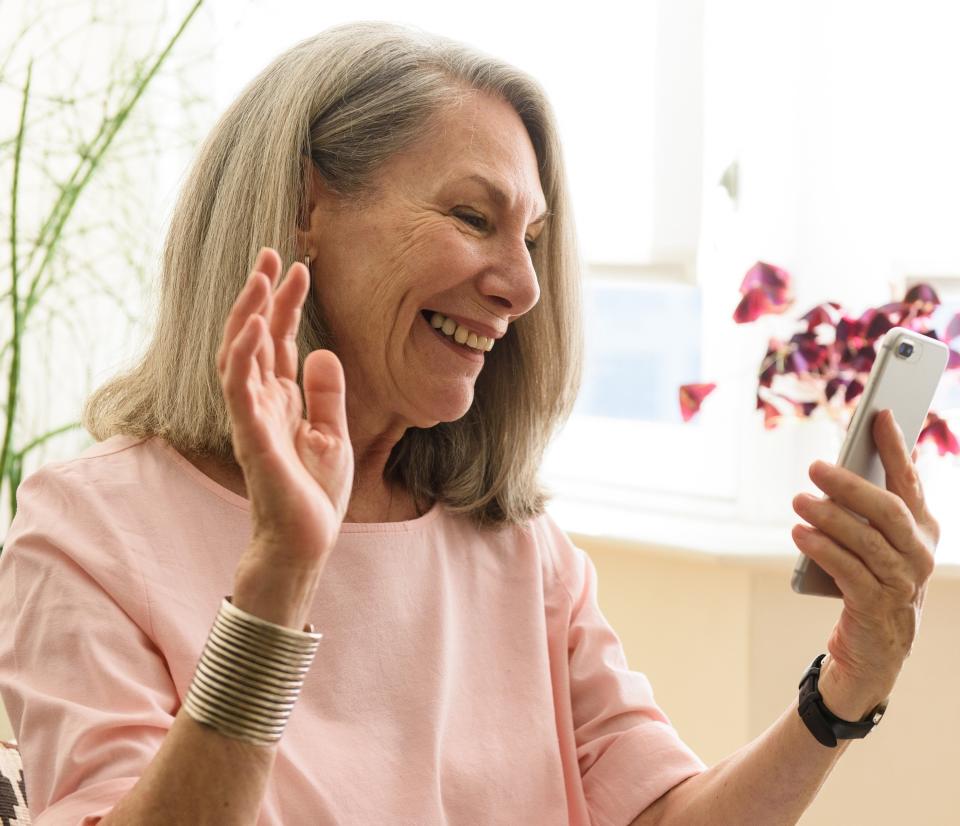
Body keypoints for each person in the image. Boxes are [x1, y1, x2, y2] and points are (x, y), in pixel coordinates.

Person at [0, 21, 939, 826]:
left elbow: (662, 814)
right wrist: (280, 576)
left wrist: (846, 687)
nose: (524, 288)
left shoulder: (521, 549)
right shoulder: (87, 535)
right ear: (306, 204)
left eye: (529, 240)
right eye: (470, 216)